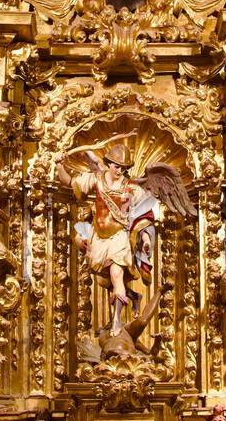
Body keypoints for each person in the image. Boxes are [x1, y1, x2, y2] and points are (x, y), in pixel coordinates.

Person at [56, 140, 157, 335]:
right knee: (105, 281)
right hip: (99, 237)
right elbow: (69, 182)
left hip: (119, 236)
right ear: (109, 164)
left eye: (124, 167)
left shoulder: (132, 188)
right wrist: (60, 165)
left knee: (116, 275)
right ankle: (133, 296)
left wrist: (145, 240)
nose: (120, 170)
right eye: (117, 166)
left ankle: (117, 322)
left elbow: (144, 216)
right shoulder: (97, 180)